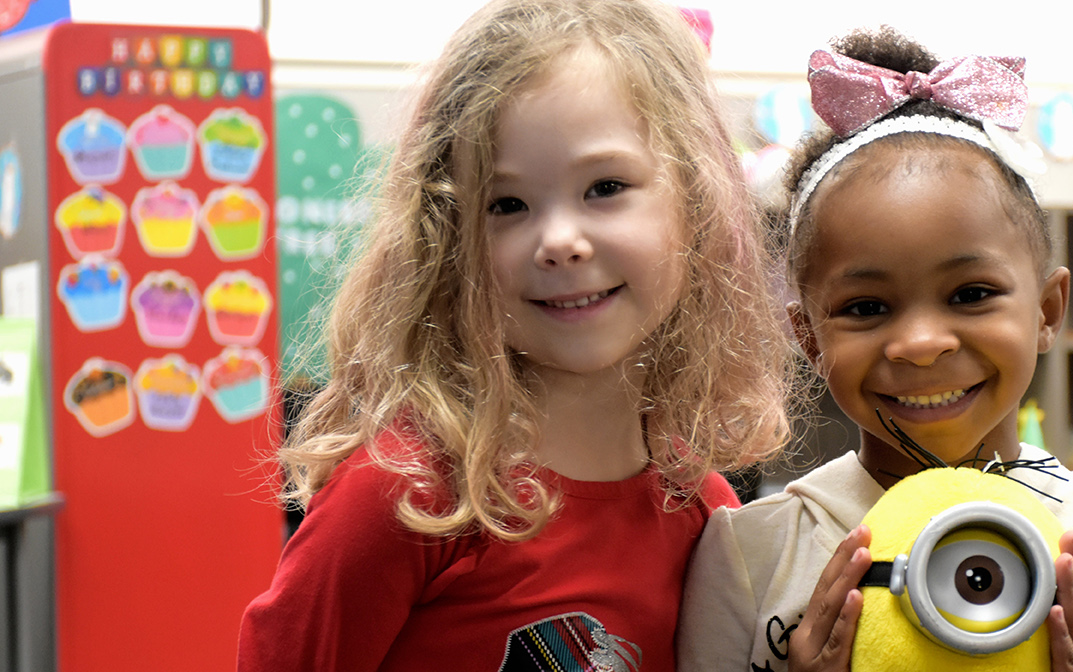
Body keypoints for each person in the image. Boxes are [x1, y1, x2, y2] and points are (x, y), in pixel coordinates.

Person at [238, 0, 793, 669]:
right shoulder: (411, 496)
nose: (558, 240)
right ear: (449, 242)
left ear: (695, 204)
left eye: (605, 186)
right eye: (507, 205)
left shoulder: (706, 513)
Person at [677, 27, 1073, 672]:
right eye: (866, 308)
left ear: (1046, 312)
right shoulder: (750, 553)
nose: (921, 344)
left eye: (971, 293)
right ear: (809, 339)